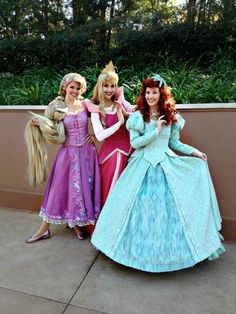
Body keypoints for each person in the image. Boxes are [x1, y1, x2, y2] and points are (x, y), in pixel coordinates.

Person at [91, 74, 225, 272]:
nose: (150, 96)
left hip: (165, 164)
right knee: (136, 208)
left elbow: (174, 143)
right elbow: (135, 143)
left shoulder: (171, 116)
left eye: (154, 92)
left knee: (169, 211)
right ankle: (132, 253)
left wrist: (195, 152)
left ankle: (169, 256)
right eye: (147, 92)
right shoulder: (137, 117)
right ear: (143, 94)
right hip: (141, 165)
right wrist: (155, 131)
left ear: (161, 94)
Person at [25, 73, 101, 243]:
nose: (74, 91)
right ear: (65, 87)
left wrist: (94, 134)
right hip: (67, 154)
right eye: (72, 87)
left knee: (82, 190)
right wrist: (39, 124)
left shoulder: (85, 104)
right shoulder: (55, 106)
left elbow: (102, 117)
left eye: (78, 88)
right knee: (59, 190)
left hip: (87, 154)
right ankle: (44, 229)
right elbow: (49, 127)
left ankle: (77, 225)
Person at [88, 61, 135, 206]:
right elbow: (101, 135)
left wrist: (127, 114)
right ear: (100, 86)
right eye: (106, 85)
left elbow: (138, 115)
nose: (109, 89)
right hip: (113, 154)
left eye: (113, 86)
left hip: (131, 151)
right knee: (112, 189)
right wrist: (119, 123)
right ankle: (109, 224)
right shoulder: (95, 109)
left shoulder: (121, 103)